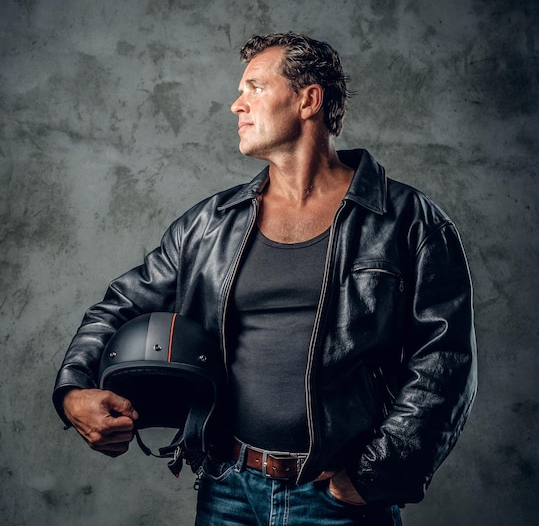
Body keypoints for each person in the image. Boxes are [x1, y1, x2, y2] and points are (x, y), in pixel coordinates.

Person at [53, 32, 477, 525]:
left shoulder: (406, 221)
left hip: (338, 498)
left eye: (254, 87)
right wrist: (72, 390)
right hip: (227, 488)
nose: (237, 105)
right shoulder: (211, 224)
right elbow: (122, 303)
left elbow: (445, 358)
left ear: (308, 100)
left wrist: (376, 473)